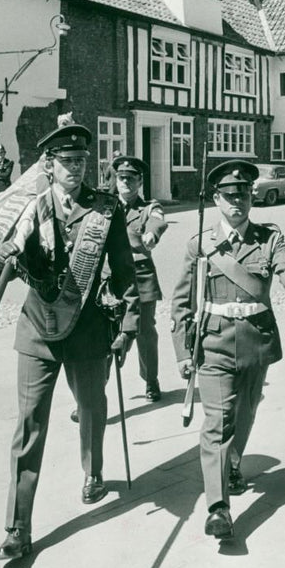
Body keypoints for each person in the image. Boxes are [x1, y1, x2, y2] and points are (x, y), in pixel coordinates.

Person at [0, 122, 139, 561]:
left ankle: (93, 473)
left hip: (88, 327)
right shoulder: (30, 208)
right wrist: (3, 255)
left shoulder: (106, 209)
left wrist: (127, 326)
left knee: (92, 407)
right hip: (38, 328)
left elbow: (125, 271)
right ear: (50, 166)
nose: (75, 169)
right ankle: (18, 526)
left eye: (81, 161)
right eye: (66, 162)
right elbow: (8, 256)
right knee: (29, 424)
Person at [170, 159, 285, 539]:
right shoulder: (200, 245)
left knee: (243, 416)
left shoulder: (268, 238)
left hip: (256, 341)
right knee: (217, 422)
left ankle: (234, 463)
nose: (238, 203)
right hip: (212, 342)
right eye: (230, 196)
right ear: (216, 199)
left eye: (244, 195)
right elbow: (181, 303)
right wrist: (183, 353)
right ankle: (218, 508)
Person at [112, 155, 168, 400]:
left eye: (131, 178)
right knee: (106, 335)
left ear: (139, 182)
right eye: (121, 178)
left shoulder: (147, 208)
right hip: (111, 280)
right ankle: (91, 391)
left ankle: (151, 381)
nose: (125, 182)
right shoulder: (106, 206)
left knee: (145, 332)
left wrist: (151, 235)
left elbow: (158, 221)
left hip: (140, 278)